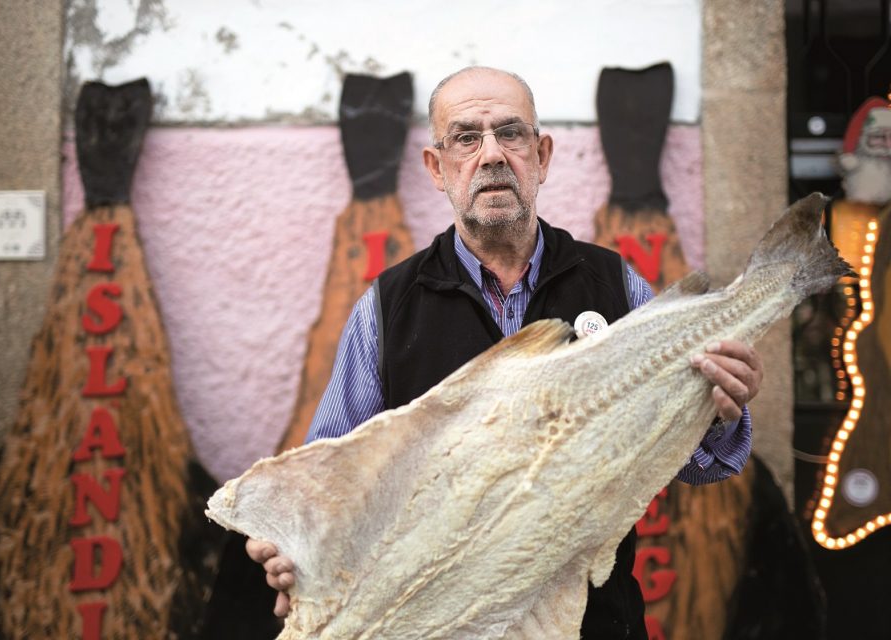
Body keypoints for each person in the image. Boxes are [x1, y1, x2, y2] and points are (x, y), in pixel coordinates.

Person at [247, 66, 763, 638]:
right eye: (466, 138)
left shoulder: (616, 286)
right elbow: (330, 486)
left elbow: (695, 463)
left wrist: (720, 408)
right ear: (436, 168)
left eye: (511, 134)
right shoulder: (388, 308)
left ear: (541, 156)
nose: (491, 155)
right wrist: (294, 550)